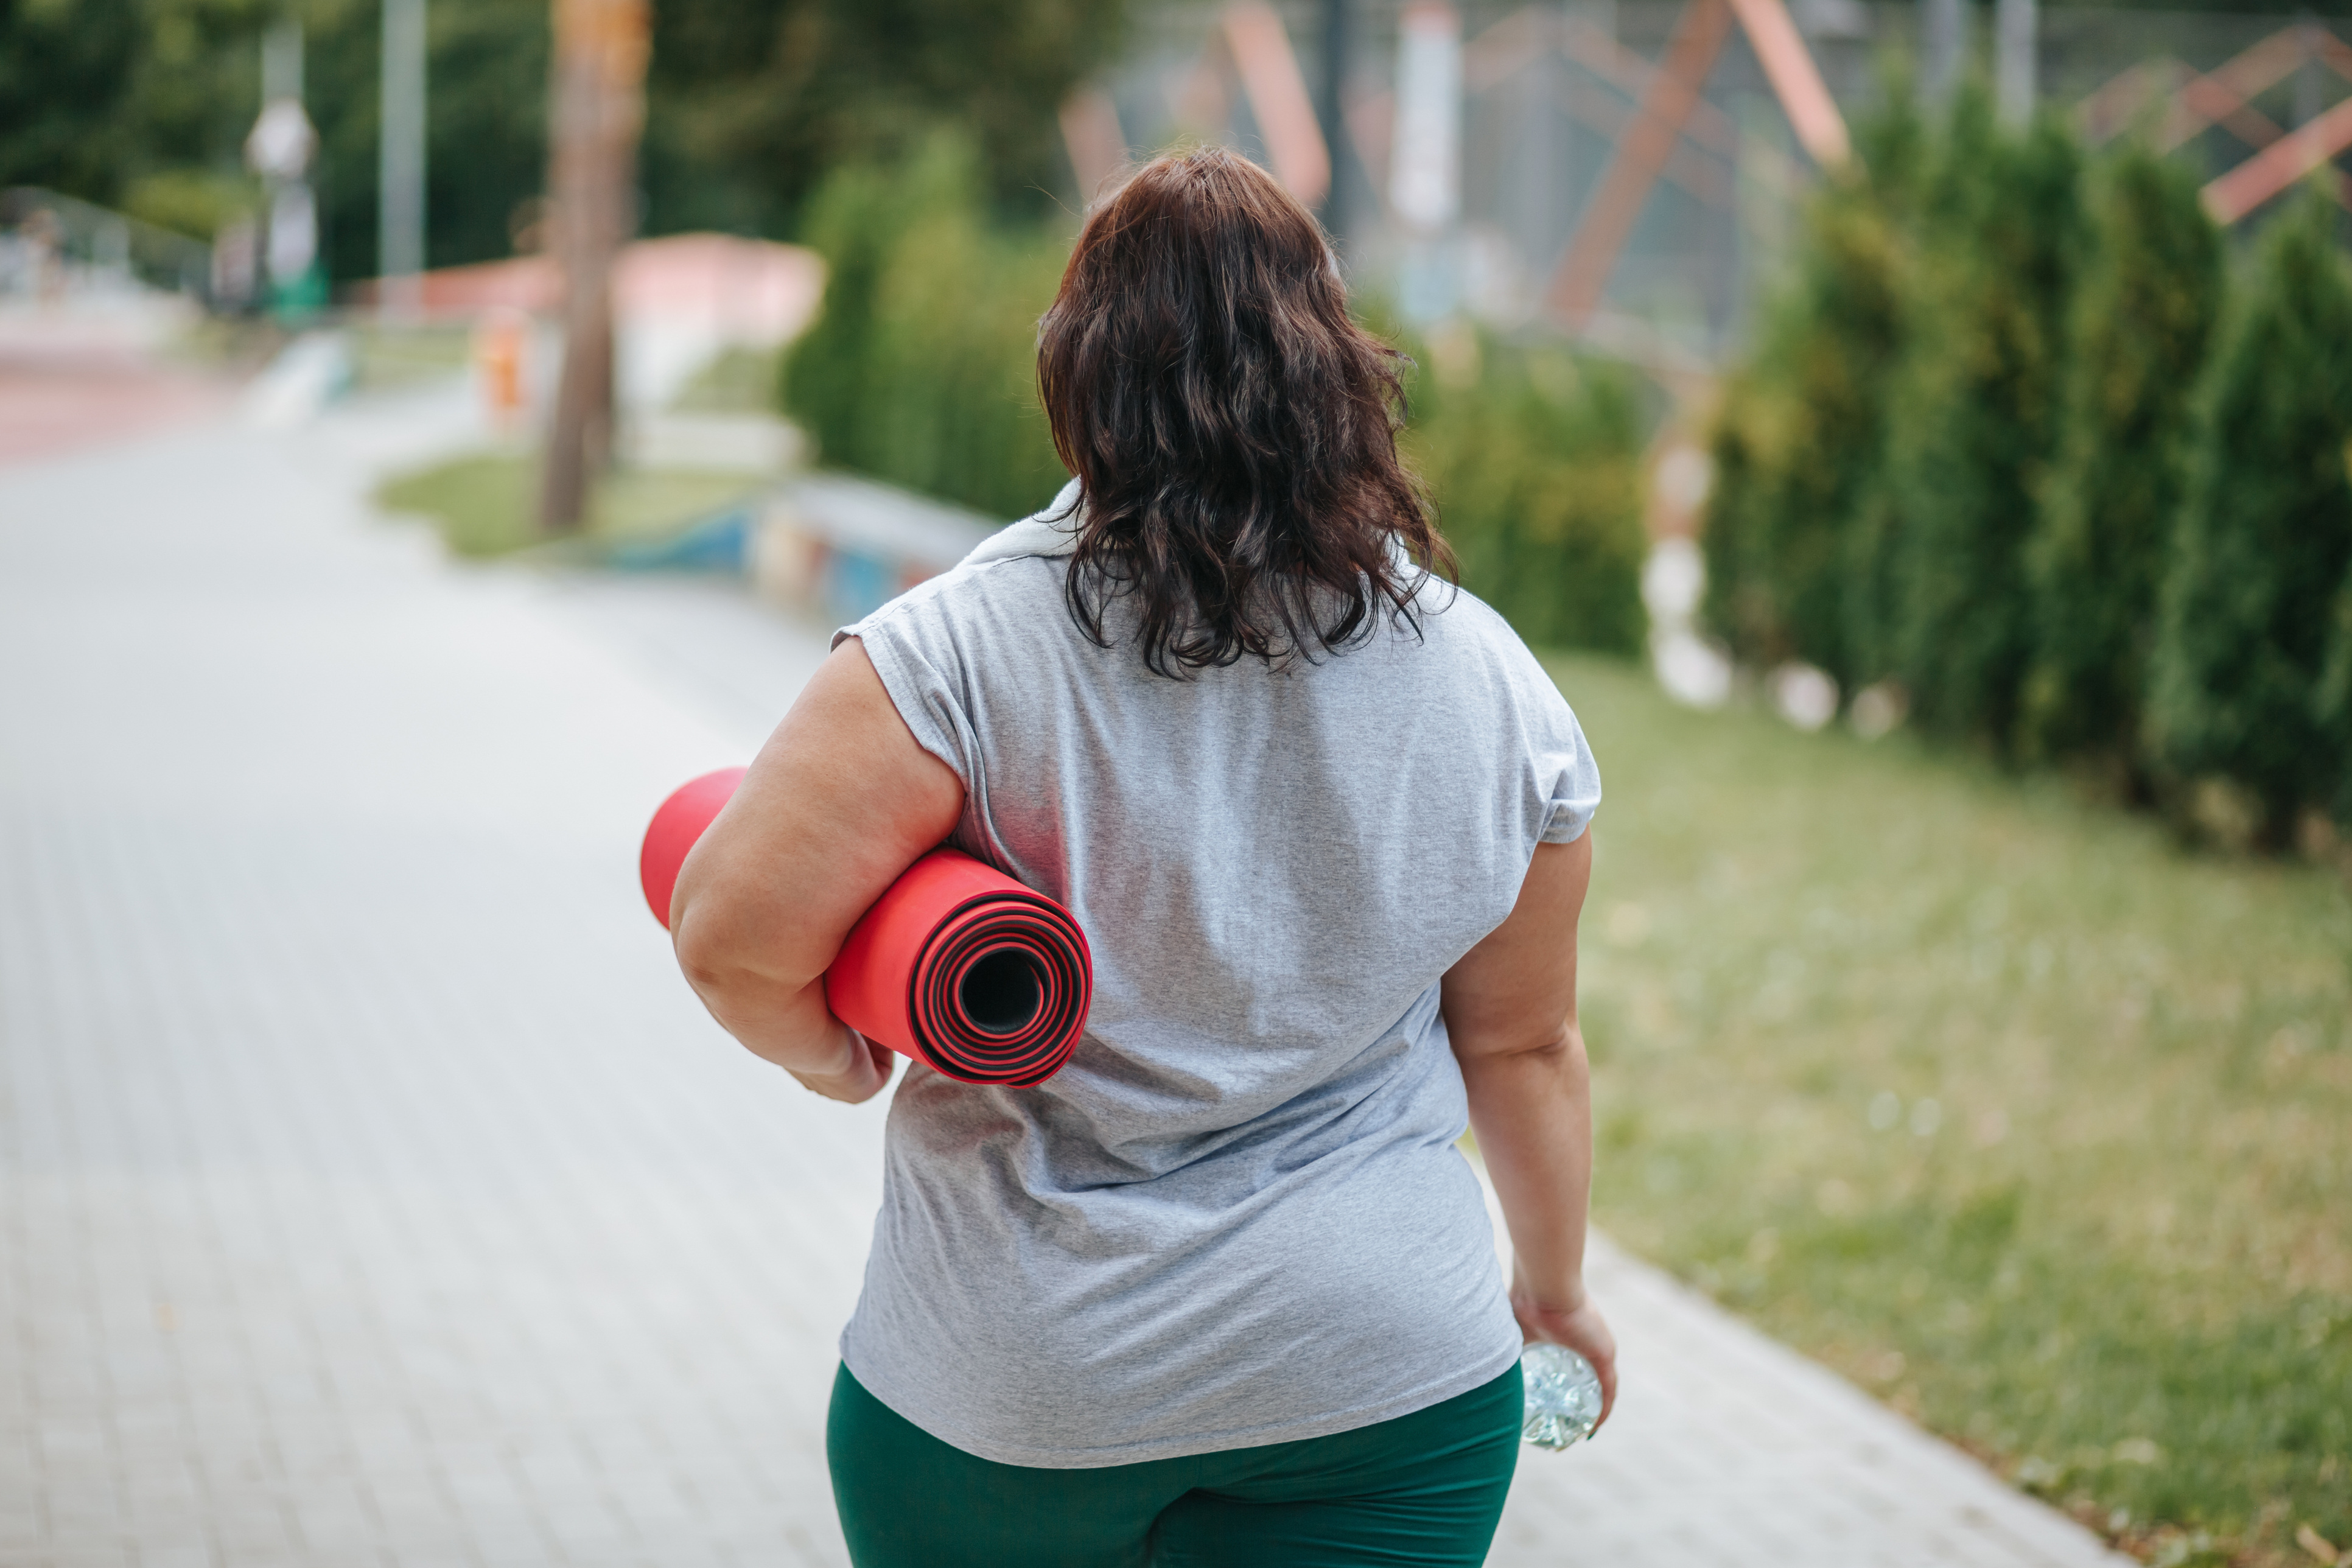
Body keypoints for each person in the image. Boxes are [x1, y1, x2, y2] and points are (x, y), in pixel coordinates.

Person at [668, 147, 1617, 1567]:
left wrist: (840, 1057)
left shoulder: (963, 648)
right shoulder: (1492, 684)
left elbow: (732, 935)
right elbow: (1526, 1046)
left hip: (1019, 1399)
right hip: (1381, 1383)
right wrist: (1554, 1293)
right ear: (1339, 376)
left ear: (1076, 380)